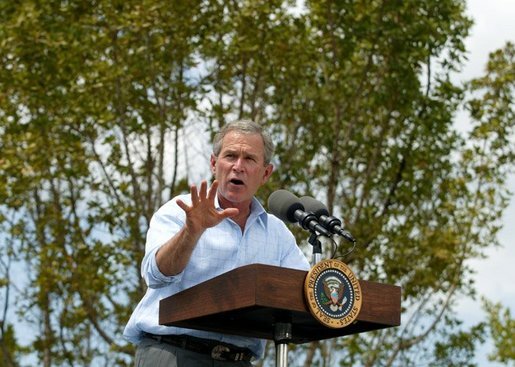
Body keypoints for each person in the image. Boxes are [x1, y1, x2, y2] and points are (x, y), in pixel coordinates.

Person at [123, 119, 310, 366]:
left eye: (250, 159)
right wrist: (192, 231)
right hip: (173, 352)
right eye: (230, 156)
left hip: (239, 360)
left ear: (265, 173)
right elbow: (156, 275)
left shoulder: (278, 233)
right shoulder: (181, 211)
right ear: (214, 163)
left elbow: (303, 294)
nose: (238, 166)